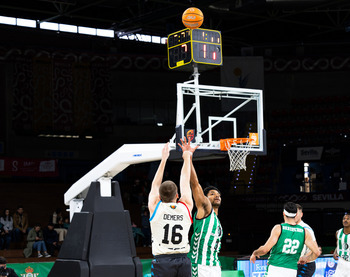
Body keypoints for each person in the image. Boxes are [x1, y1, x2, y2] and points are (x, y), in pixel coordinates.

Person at [148, 140, 193, 277]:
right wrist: (186, 156)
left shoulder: (156, 207)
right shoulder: (186, 206)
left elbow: (155, 185)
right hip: (183, 260)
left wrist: (163, 159)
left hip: (163, 261)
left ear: (159, 197)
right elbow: (185, 180)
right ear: (178, 195)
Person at [250, 202, 321, 277]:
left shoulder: (279, 228)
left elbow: (264, 250)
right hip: (292, 270)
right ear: (296, 214)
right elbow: (316, 252)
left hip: (275, 268)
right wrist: (306, 259)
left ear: (284, 213)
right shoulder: (304, 232)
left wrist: (255, 253)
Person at [186, 144, 223, 277]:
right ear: (205, 198)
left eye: (218, 194)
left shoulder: (217, 221)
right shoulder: (205, 209)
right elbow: (195, 184)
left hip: (214, 265)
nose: (217, 195)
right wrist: (188, 157)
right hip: (199, 265)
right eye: (212, 194)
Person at [295, 204, 320, 277]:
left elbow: (315, 249)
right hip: (294, 264)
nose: (295, 215)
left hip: (306, 265)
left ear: (301, 214)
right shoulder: (289, 227)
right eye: (293, 213)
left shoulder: (306, 229)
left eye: (297, 213)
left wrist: (305, 257)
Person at [333, 212, 350, 277]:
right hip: (341, 262)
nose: (345, 220)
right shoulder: (338, 232)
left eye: (348, 219)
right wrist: (335, 252)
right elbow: (338, 245)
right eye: (344, 219)